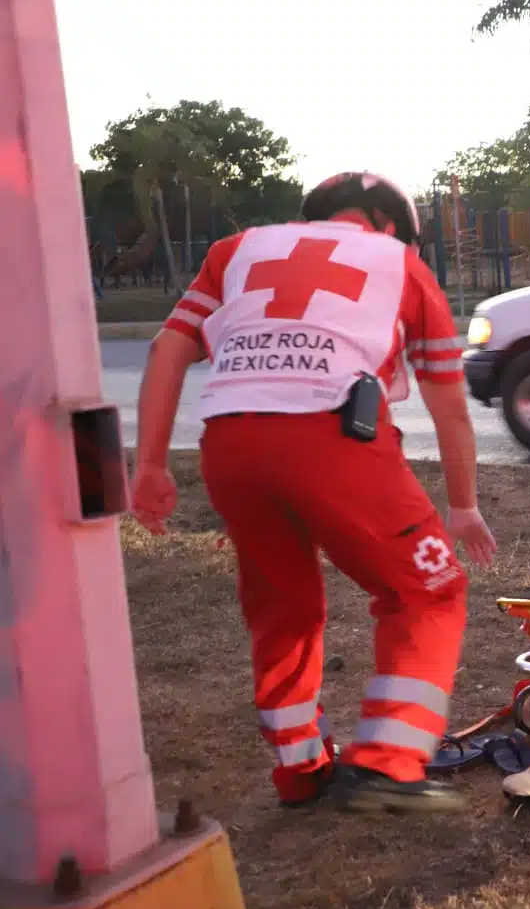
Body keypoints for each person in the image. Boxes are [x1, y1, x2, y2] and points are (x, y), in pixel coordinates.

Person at [129, 172, 500, 815]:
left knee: (283, 609)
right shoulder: (403, 267)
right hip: (333, 439)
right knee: (431, 592)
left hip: (230, 444)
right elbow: (450, 409)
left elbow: (167, 350)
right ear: (391, 227)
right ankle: (388, 762)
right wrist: (462, 504)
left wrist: (152, 465)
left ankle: (301, 769)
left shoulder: (235, 250)